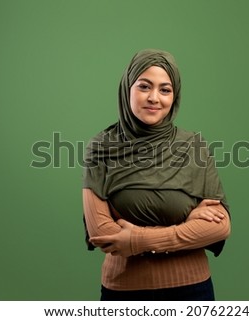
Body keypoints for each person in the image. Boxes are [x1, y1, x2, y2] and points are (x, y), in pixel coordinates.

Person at [82, 49, 231, 301]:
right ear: (127, 88)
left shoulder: (193, 145)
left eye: (165, 90)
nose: (154, 98)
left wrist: (136, 240)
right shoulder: (101, 147)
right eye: (144, 86)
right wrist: (187, 221)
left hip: (193, 290)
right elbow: (103, 232)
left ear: (175, 96)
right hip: (124, 293)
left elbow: (219, 227)